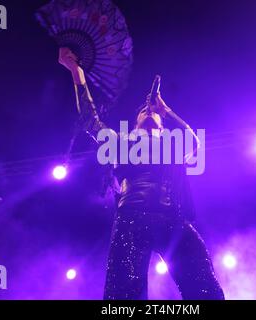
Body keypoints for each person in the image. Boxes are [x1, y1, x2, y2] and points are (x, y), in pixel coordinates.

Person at [58, 47, 224, 300]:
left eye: (154, 113)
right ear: (136, 122)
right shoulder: (122, 142)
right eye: (143, 111)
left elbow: (193, 143)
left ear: (161, 122)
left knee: (204, 286)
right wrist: (76, 72)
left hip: (174, 219)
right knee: (125, 293)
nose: (149, 111)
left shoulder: (171, 145)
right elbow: (89, 120)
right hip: (132, 218)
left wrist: (166, 109)